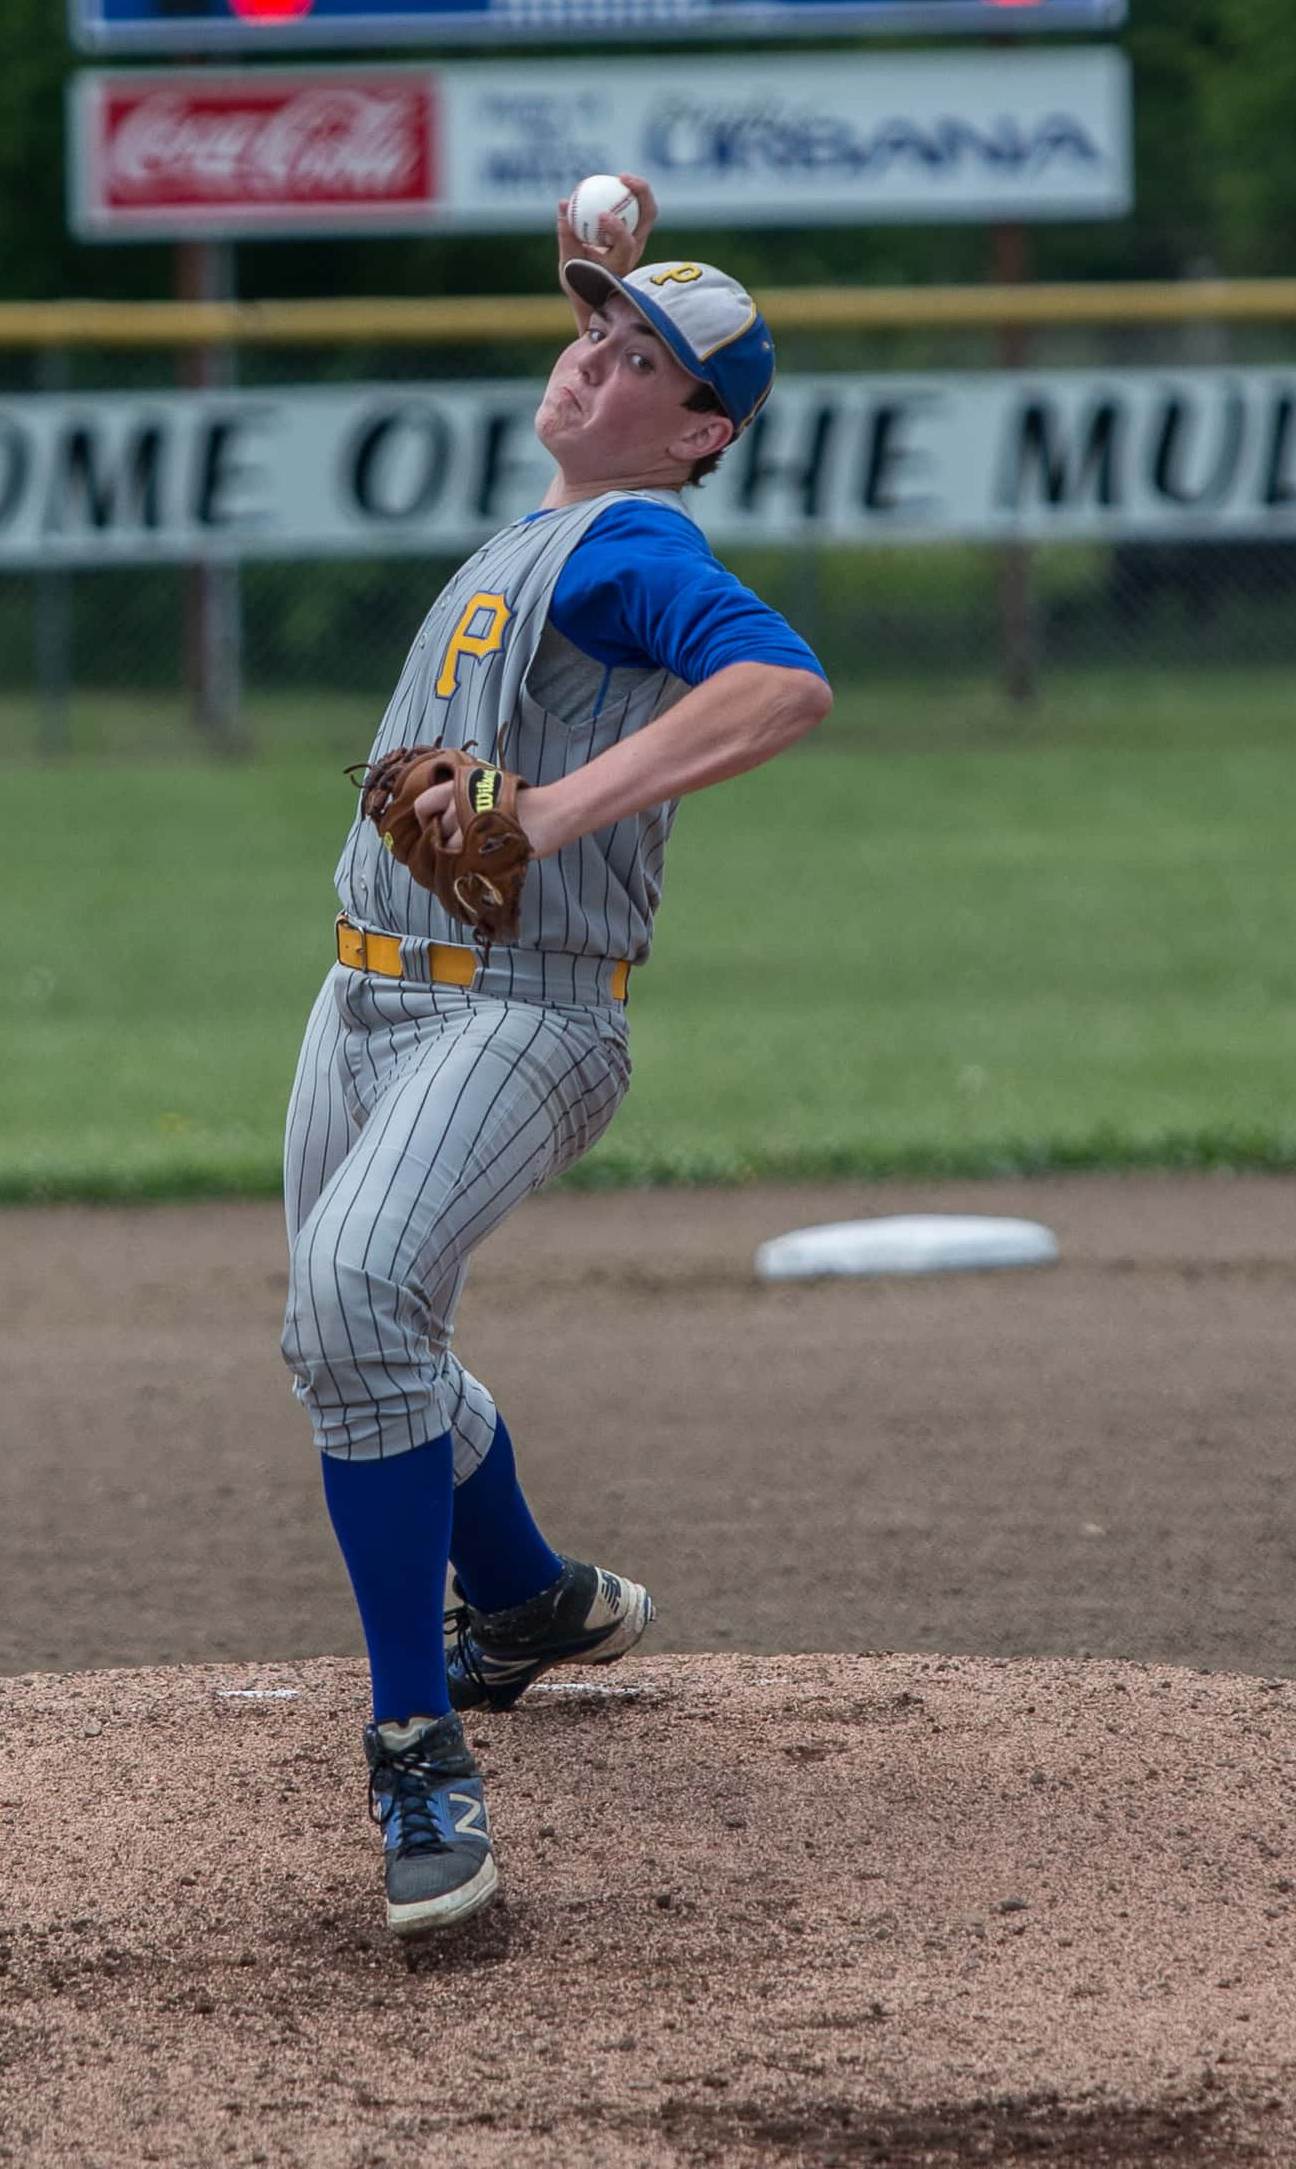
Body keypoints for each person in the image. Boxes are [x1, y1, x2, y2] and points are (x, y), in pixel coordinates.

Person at [281, 180, 834, 1937]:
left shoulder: (630, 546)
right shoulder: (560, 516)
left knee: (358, 1295)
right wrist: (618, 268)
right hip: (359, 999)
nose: (590, 359)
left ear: (701, 434)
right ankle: (521, 1595)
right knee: (348, 1334)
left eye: (636, 359)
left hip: (515, 1011)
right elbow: (615, 352)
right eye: (587, 332)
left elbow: (782, 688)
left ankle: (412, 1742)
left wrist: (549, 808)